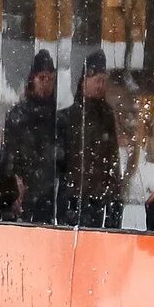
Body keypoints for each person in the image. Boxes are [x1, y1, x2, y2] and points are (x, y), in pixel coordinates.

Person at [57, 49, 123, 228]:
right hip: (73, 198)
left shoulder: (107, 115)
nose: (101, 85)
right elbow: (59, 165)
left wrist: (115, 202)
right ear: (83, 81)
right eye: (97, 80)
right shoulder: (67, 117)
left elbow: (112, 160)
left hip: (98, 199)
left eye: (104, 81)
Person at [0, 49, 63, 222]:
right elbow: (9, 157)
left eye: (51, 79)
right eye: (42, 78)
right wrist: (14, 185)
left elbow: (60, 159)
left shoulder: (56, 117)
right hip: (21, 192)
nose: (46, 84)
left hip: (47, 195)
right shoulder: (18, 115)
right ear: (32, 79)